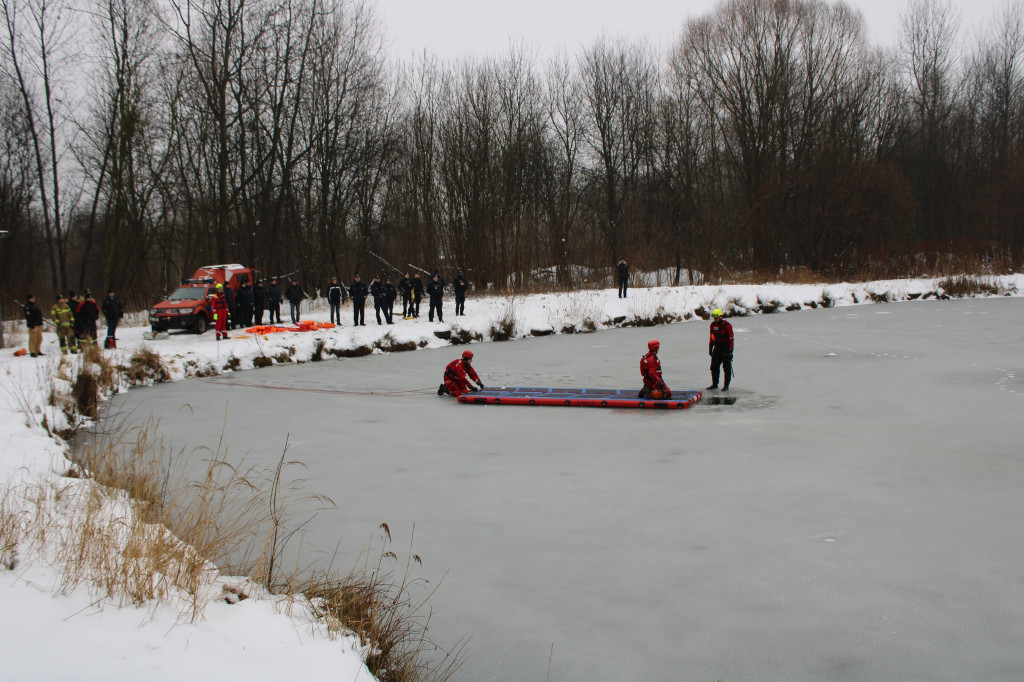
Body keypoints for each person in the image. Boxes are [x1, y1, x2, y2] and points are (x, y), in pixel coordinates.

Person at [708, 308, 734, 391]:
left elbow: (731, 338)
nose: (715, 320)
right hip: (717, 348)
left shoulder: (727, 326)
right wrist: (710, 348)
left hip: (726, 349)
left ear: (720, 317)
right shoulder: (712, 325)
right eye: (714, 318)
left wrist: (730, 350)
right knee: (713, 367)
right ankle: (715, 384)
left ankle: (726, 385)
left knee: (726, 368)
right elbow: (711, 337)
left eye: (716, 318)